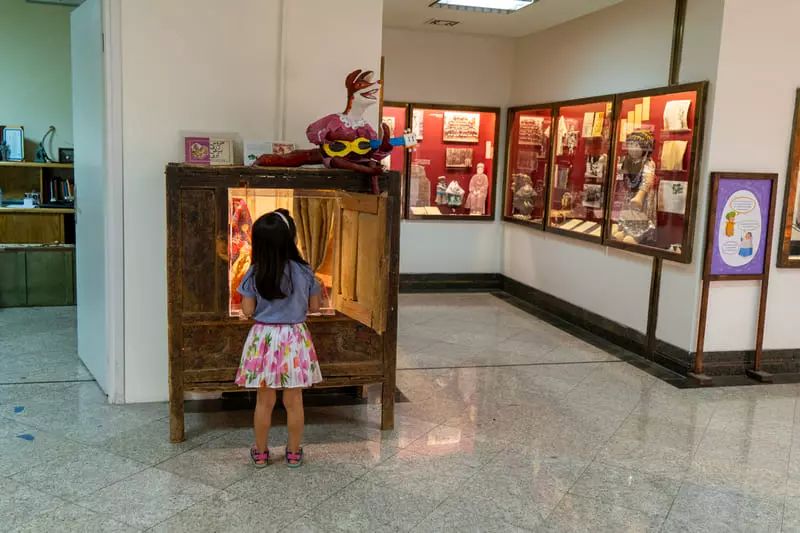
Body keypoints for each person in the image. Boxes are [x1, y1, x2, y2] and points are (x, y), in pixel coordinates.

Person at [234, 209, 323, 468]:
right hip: (294, 338)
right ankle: (293, 453)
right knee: (294, 401)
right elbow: (314, 307)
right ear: (290, 238)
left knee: (264, 401)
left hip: (264, 338)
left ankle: (261, 453)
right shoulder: (304, 271)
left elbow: (247, 310)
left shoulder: (254, 272)